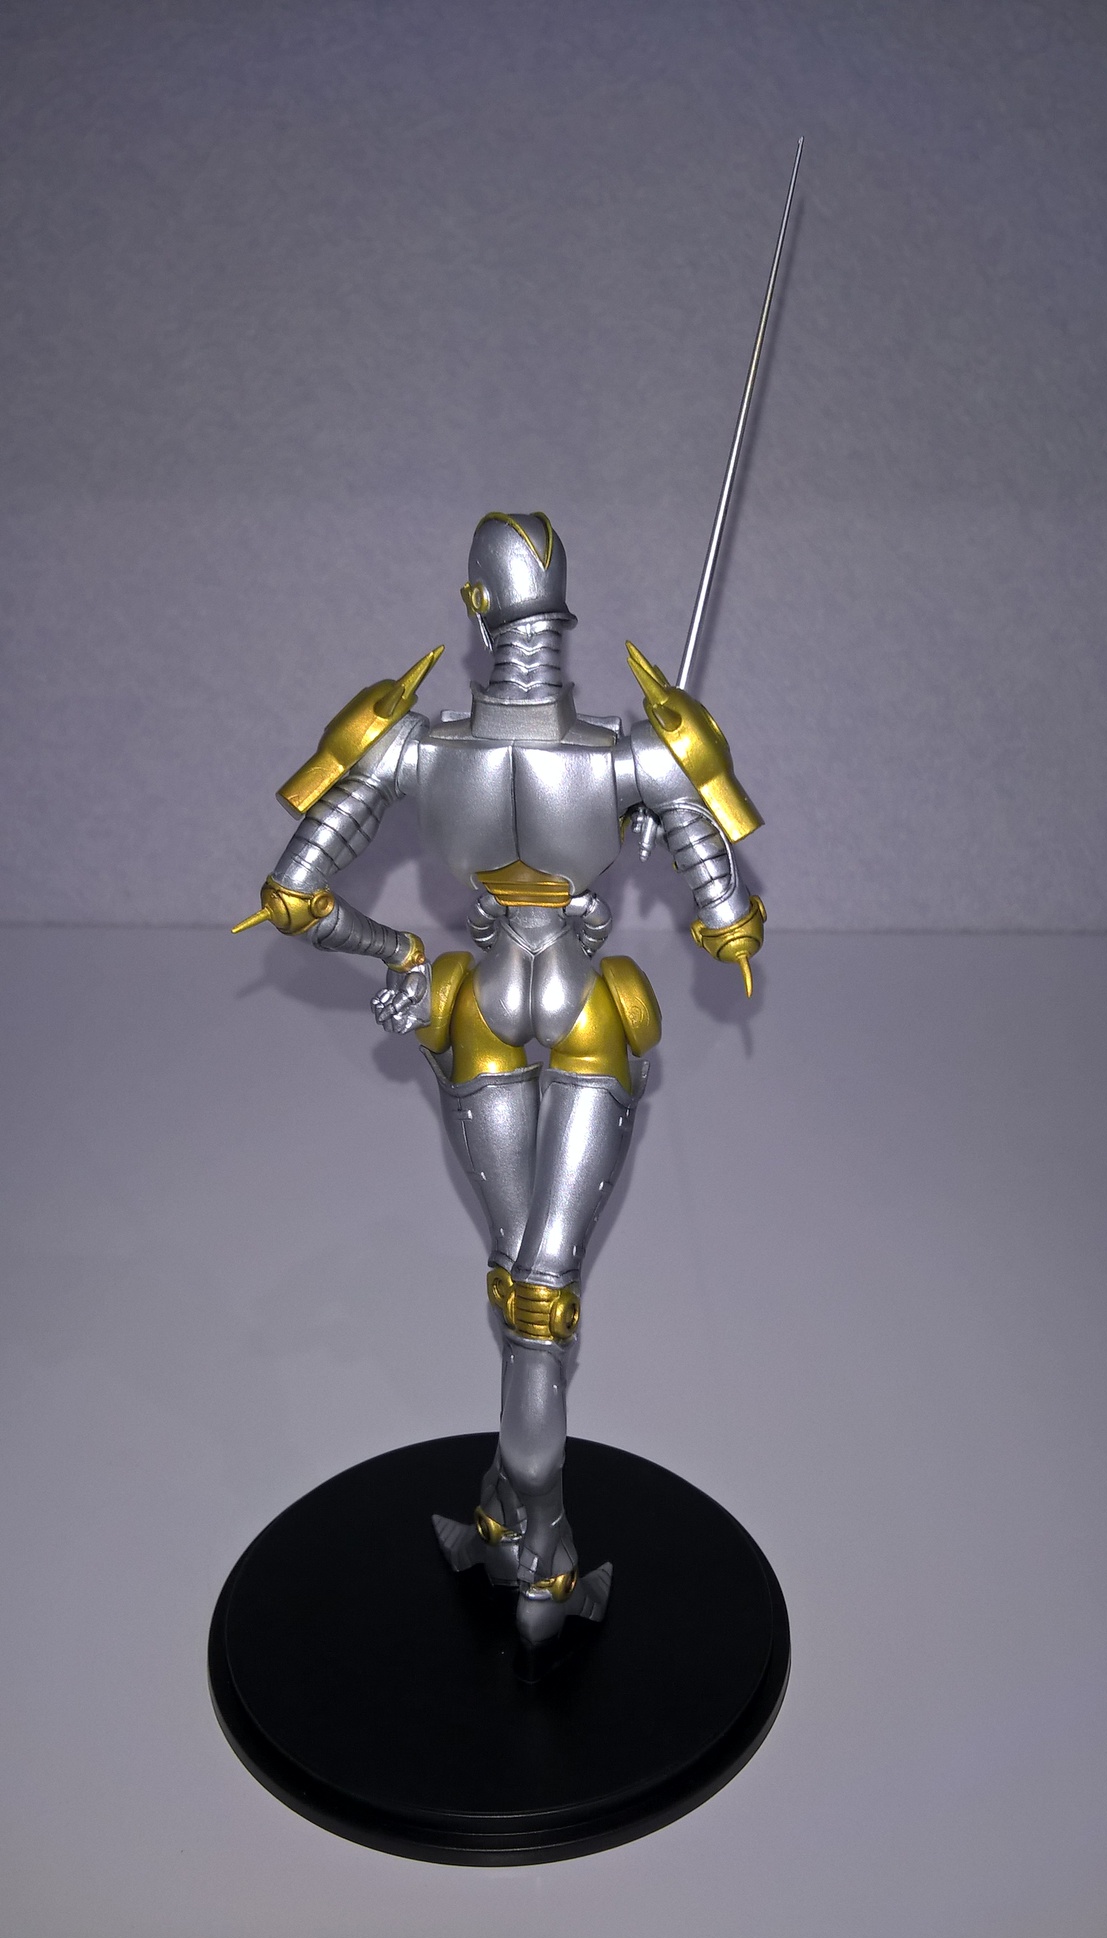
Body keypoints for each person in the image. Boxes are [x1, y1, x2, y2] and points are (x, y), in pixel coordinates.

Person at [235, 511, 765, 1645]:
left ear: (477, 611)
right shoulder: (626, 749)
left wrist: (397, 955)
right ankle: (536, 1542)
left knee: (533, 1290)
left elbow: (293, 897)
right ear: (558, 615)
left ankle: (532, 1528)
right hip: (577, 1004)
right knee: (531, 1289)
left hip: (476, 1007)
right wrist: (687, 831)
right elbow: (728, 913)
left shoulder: (415, 746)